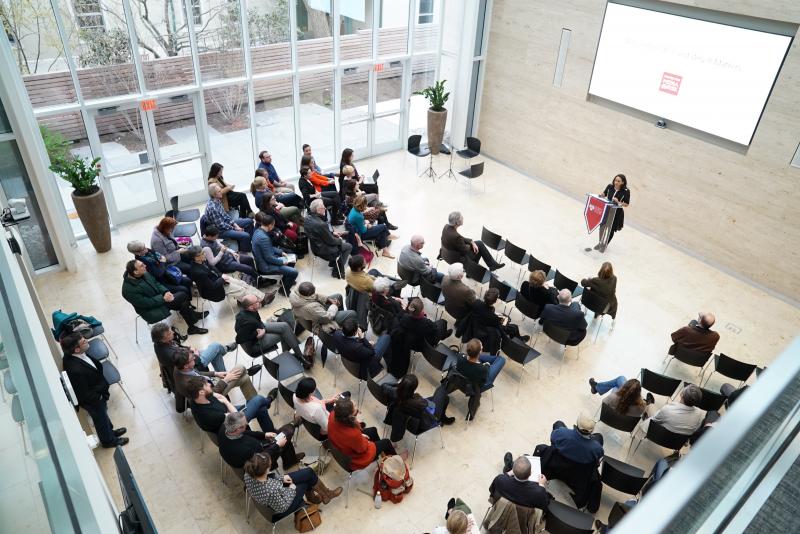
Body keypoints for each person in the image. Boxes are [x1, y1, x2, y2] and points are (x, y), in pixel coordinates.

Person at [61, 333, 128, 448]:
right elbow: (84, 393)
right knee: (100, 420)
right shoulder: (75, 370)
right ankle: (108, 441)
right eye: (83, 342)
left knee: (104, 416)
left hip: (97, 390)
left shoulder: (76, 354)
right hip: (94, 400)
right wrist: (99, 397)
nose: (87, 341)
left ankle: (110, 432)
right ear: (77, 350)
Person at [122, 259, 208, 335]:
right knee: (182, 295)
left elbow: (157, 283)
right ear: (136, 272)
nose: (145, 265)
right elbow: (145, 303)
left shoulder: (144, 273)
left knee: (182, 301)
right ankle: (193, 320)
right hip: (150, 310)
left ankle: (192, 325)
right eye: (141, 266)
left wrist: (166, 292)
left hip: (160, 299)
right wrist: (163, 298)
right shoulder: (128, 290)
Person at [244, 452, 342, 516]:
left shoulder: (249, 473)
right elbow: (282, 508)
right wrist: (291, 489)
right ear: (265, 470)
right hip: (283, 505)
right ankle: (322, 496)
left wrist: (282, 478)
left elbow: (269, 478)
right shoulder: (271, 490)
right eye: (269, 466)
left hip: (277, 489)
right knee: (306, 480)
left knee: (308, 472)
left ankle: (323, 496)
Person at [234, 294, 309, 366]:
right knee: (285, 334)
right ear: (251, 307)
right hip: (255, 345)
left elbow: (258, 320)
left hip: (259, 328)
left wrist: (261, 328)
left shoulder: (248, 311)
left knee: (284, 325)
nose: (260, 301)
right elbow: (238, 339)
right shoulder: (249, 321)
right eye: (257, 301)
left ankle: (294, 353)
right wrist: (257, 335)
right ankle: (297, 356)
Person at [186, 376, 277, 434]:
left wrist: (224, 401)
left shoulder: (197, 398)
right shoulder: (210, 415)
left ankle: (271, 435)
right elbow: (237, 417)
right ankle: (268, 401)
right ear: (201, 392)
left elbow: (217, 395)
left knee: (261, 409)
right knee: (258, 399)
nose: (210, 384)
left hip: (227, 413)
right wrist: (225, 401)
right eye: (206, 385)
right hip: (232, 427)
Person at [327, 397, 396, 469]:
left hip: (341, 443)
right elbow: (362, 449)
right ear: (350, 417)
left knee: (373, 430)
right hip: (356, 458)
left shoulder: (333, 414)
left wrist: (360, 436)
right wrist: (364, 440)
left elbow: (347, 435)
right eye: (355, 407)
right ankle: (395, 462)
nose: (356, 407)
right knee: (386, 442)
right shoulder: (353, 434)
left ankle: (381, 452)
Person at [390, 297, 452, 377]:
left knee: (438, 327)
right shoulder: (426, 323)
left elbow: (401, 315)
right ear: (422, 310)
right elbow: (434, 329)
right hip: (422, 345)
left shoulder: (404, 317)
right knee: (442, 322)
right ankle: (444, 335)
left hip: (411, 343)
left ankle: (444, 334)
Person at [217, 411, 302, 470]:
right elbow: (262, 458)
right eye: (245, 424)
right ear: (238, 429)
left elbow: (245, 433)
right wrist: (277, 446)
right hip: (259, 462)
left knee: (281, 436)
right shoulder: (242, 450)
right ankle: (292, 425)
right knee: (285, 435)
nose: (247, 423)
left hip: (255, 449)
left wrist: (263, 435)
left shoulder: (225, 428)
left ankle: (290, 460)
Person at [187, 246, 271, 305]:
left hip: (219, 280)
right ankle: (260, 301)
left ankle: (261, 296)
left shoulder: (202, 261)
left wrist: (221, 276)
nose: (204, 254)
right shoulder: (197, 272)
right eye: (202, 254)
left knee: (242, 283)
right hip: (214, 291)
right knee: (241, 290)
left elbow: (213, 269)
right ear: (196, 258)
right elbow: (212, 286)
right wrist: (222, 279)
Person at [458, 288, 529, 354]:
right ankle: (516, 343)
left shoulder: (477, 303)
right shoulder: (493, 317)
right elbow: (500, 328)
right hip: (486, 334)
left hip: (474, 329)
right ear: (495, 301)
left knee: (513, 327)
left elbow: (484, 312)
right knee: (514, 327)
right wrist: (505, 322)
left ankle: (518, 340)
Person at [172, 347, 258, 401]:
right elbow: (211, 394)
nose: (195, 357)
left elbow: (197, 373)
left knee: (245, 378)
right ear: (186, 365)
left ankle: (256, 403)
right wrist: (226, 380)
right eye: (192, 358)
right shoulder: (190, 384)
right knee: (240, 367)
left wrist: (216, 373)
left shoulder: (179, 367)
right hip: (214, 394)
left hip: (210, 382)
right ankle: (247, 372)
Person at [390, 374, 455, 444]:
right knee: (441, 390)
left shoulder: (396, 394)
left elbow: (384, 385)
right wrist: (418, 397)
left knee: (445, 398)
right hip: (425, 421)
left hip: (411, 420)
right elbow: (431, 406)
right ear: (413, 389)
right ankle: (441, 418)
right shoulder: (418, 403)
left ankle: (442, 417)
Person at [151, 322, 235, 372]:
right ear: (162, 339)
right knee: (215, 346)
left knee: (215, 353)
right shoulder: (170, 354)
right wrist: (194, 354)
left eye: (170, 330)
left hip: (188, 357)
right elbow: (186, 362)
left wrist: (188, 349)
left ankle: (224, 375)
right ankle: (226, 349)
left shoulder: (159, 343)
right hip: (193, 365)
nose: (172, 332)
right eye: (169, 333)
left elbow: (178, 347)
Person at [251, 213, 299, 294]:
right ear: (270, 225)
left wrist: (281, 252)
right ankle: (284, 290)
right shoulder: (264, 238)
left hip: (265, 260)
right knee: (294, 272)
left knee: (294, 257)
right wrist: (282, 262)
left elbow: (268, 247)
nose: (273, 227)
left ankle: (285, 281)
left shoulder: (257, 231)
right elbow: (269, 258)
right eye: (273, 225)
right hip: (266, 266)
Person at [304, 198, 352, 278]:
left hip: (314, 247)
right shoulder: (321, 224)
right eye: (323, 207)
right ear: (318, 210)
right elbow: (331, 241)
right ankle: (337, 270)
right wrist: (340, 240)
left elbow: (318, 233)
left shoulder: (307, 218)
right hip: (323, 250)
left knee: (340, 241)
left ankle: (334, 263)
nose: (325, 208)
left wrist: (332, 233)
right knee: (348, 246)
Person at [127, 239, 192, 296]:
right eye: (143, 249)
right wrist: (162, 262)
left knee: (187, 281)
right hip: (162, 282)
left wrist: (162, 261)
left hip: (167, 274)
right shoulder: (142, 262)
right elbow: (158, 273)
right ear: (137, 253)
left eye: (145, 246)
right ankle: (184, 305)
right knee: (183, 289)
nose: (146, 248)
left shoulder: (148, 251)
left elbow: (162, 257)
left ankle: (189, 302)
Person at [289, 281, 356, 335]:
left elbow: (314, 296)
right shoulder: (310, 308)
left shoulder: (297, 292)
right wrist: (334, 306)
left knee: (338, 296)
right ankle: (345, 326)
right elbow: (327, 317)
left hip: (316, 313)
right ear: (309, 294)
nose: (315, 289)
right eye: (313, 291)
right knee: (352, 313)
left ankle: (341, 321)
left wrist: (328, 299)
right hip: (317, 323)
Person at [205, 183, 255, 253]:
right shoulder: (212, 208)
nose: (221, 191)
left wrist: (235, 225)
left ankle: (247, 244)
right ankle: (244, 252)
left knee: (250, 221)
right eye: (219, 191)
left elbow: (225, 215)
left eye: (220, 190)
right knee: (245, 236)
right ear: (214, 194)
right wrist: (235, 228)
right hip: (220, 230)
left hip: (225, 224)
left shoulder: (217, 199)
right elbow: (221, 225)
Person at [595, 173, 630, 252]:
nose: (616, 182)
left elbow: (627, 204)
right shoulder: (610, 186)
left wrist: (619, 202)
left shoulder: (626, 191)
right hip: (607, 210)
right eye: (615, 180)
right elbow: (604, 194)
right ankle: (600, 243)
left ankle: (605, 245)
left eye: (618, 181)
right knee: (602, 226)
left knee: (610, 229)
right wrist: (601, 195)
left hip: (616, 213)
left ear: (623, 182)